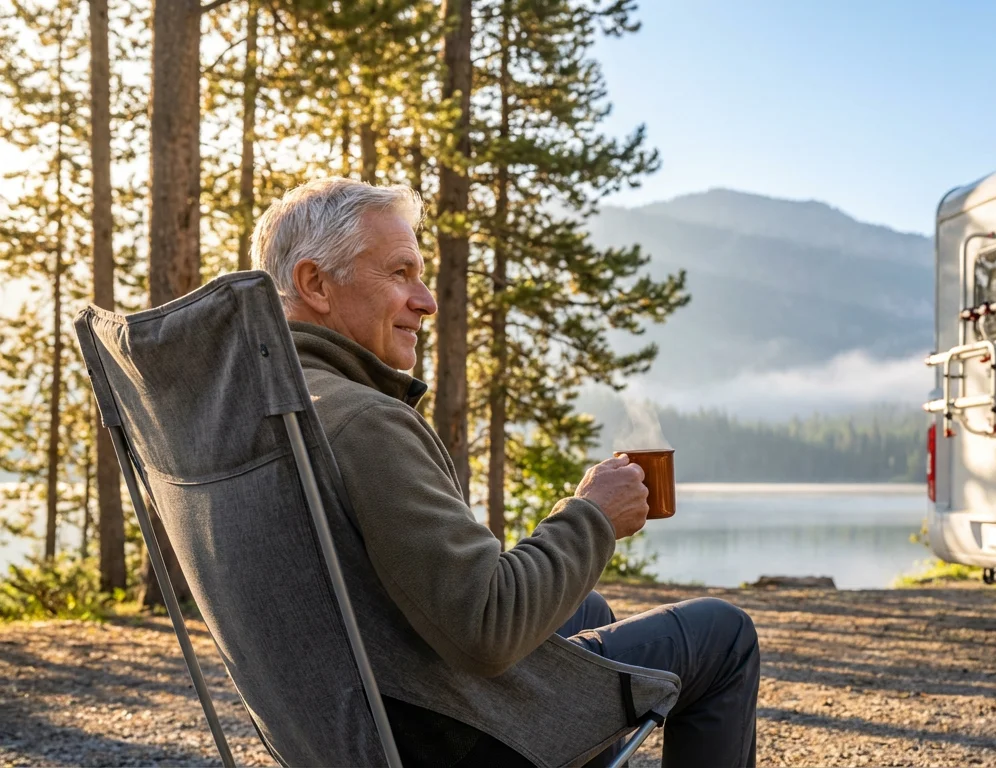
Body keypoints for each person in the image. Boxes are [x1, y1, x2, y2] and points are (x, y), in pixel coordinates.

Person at [250, 177, 759, 767]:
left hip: (352, 725)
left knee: (584, 611)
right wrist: (590, 517)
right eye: (399, 273)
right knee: (724, 634)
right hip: (447, 737)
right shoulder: (360, 421)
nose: (426, 299)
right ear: (315, 283)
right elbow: (486, 629)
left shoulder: (261, 414)